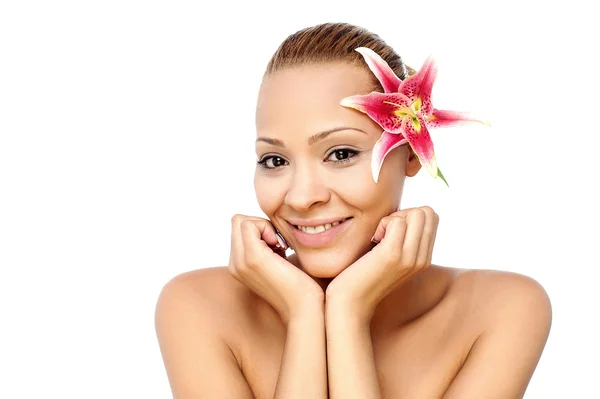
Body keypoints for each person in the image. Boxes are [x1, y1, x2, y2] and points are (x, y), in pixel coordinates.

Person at [155, 22, 552, 398]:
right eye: (274, 160)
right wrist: (304, 313)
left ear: (412, 152)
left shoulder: (503, 309)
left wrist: (347, 310)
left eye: (340, 153)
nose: (301, 197)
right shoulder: (196, 306)